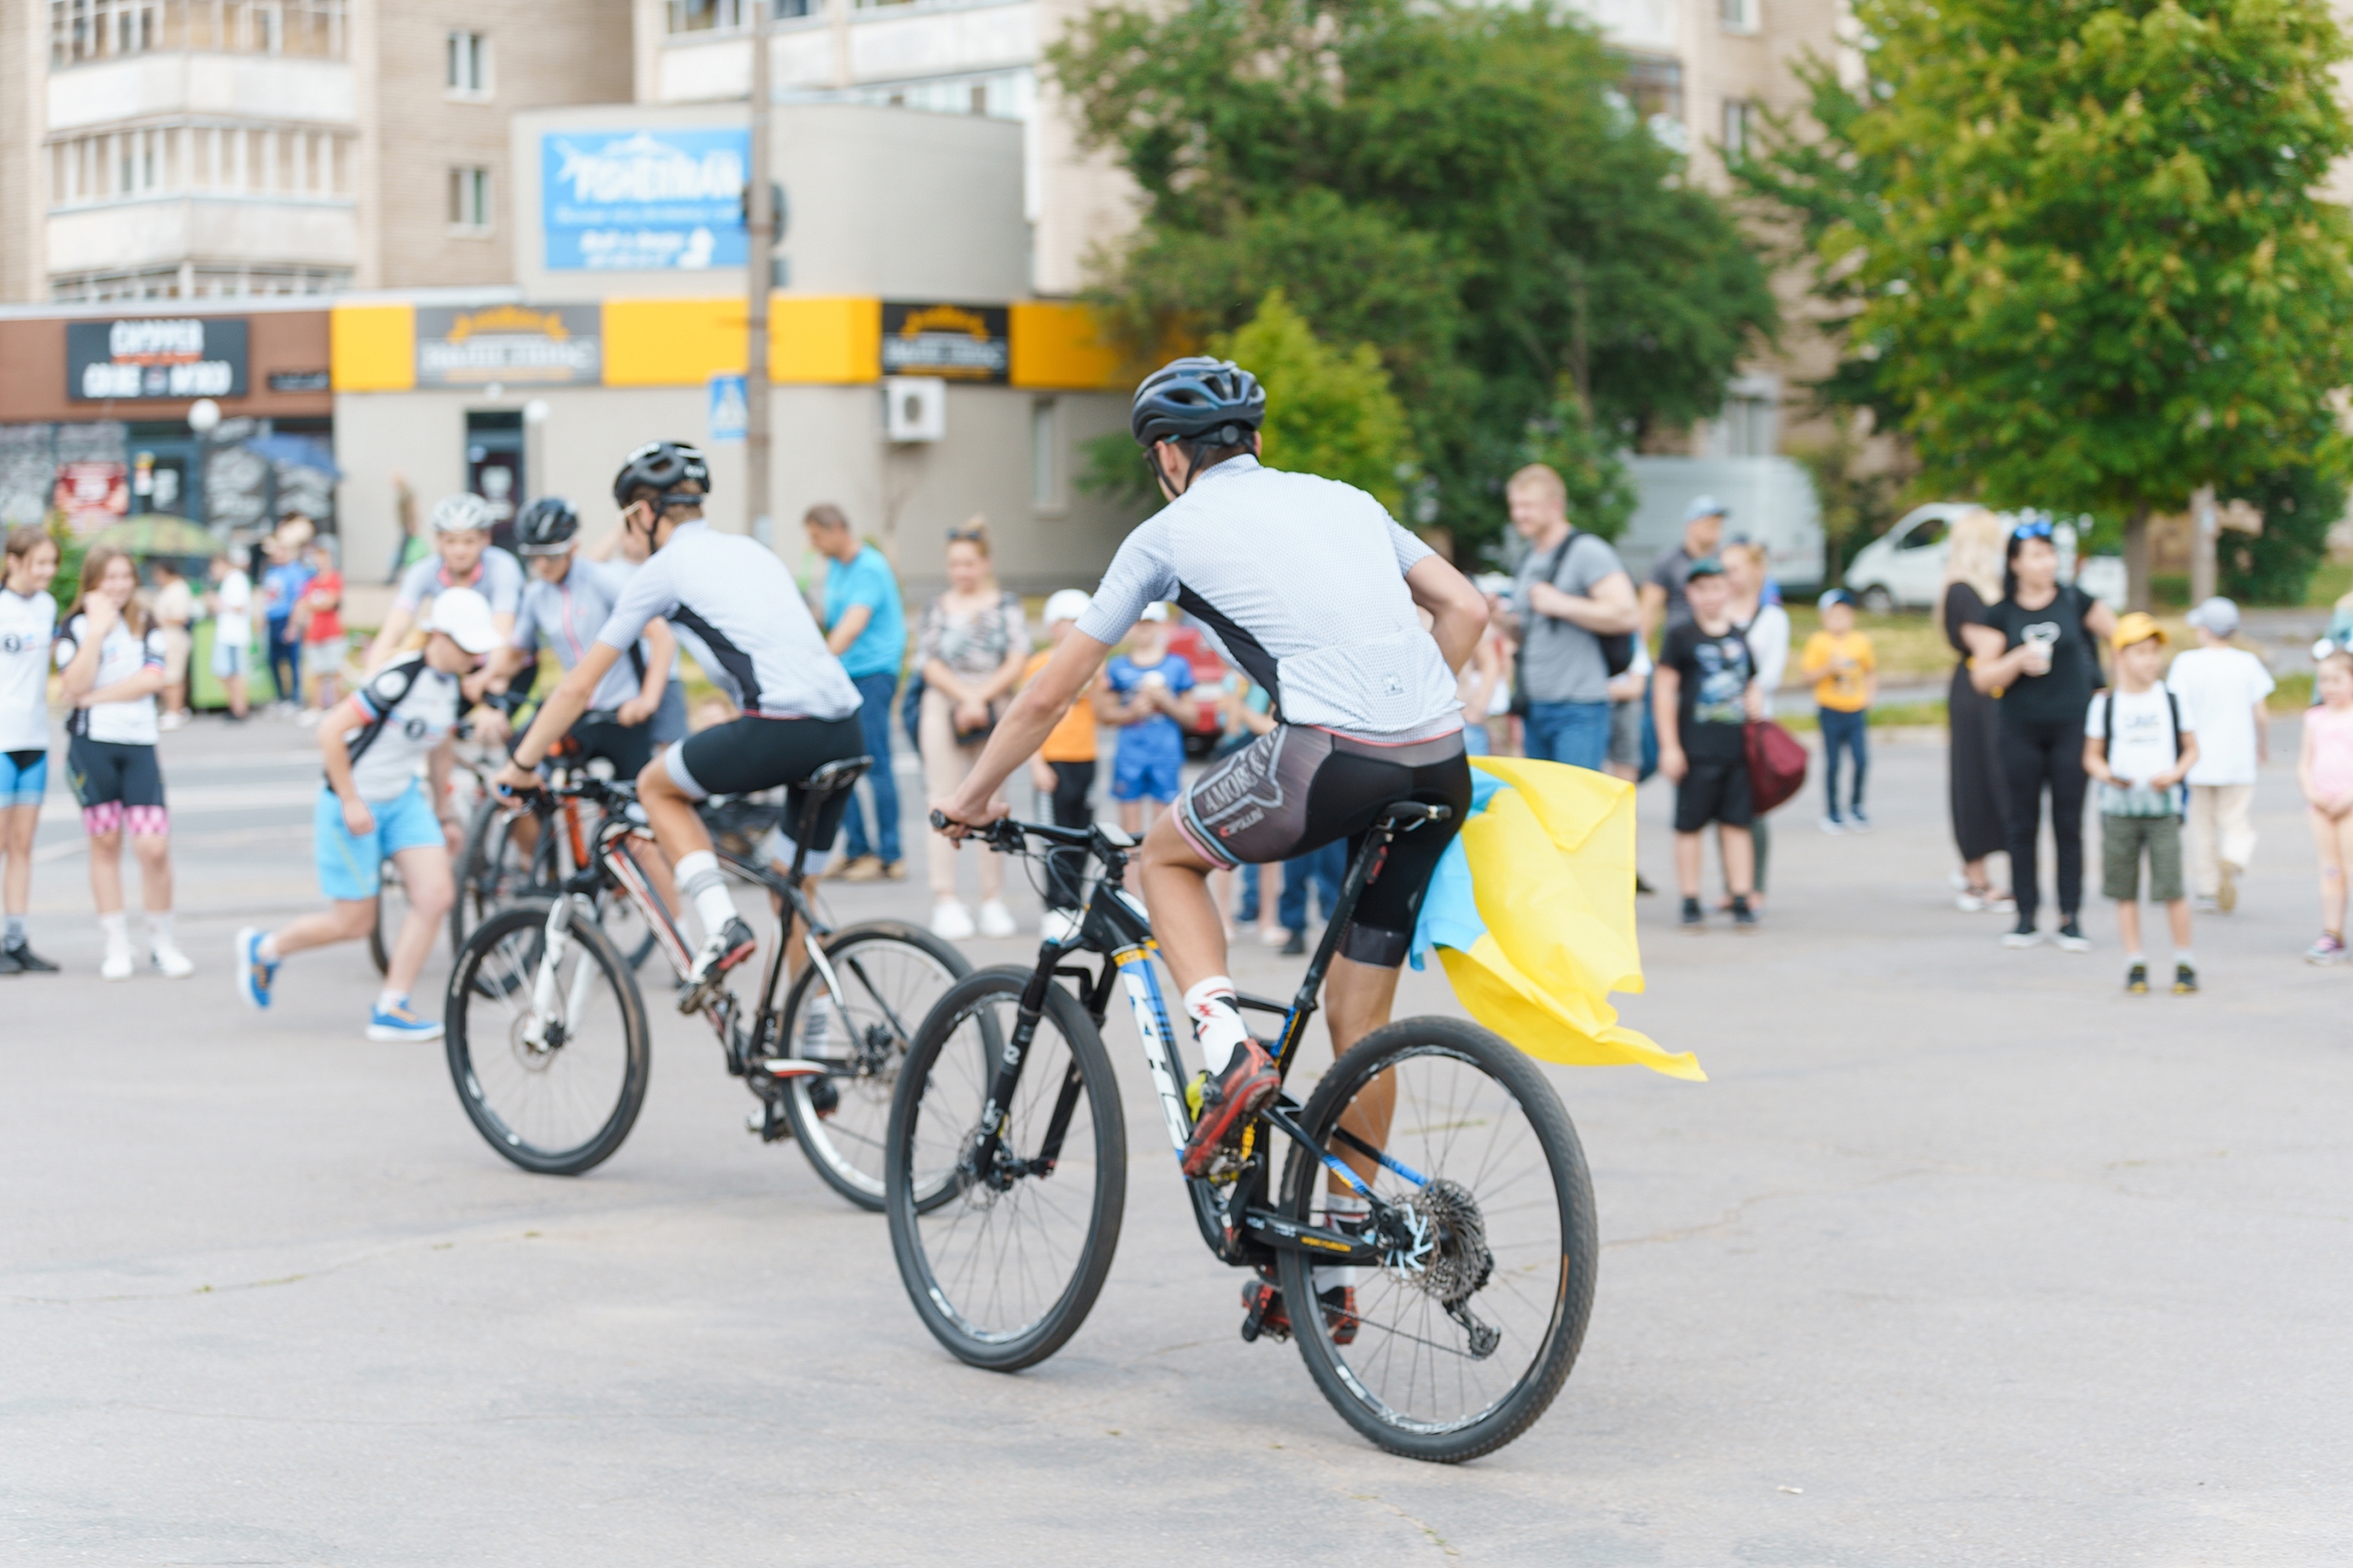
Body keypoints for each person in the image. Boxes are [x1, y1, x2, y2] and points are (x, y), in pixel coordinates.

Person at [931, 354, 1486, 1213]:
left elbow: (1050, 690)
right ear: (1256, 440)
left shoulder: (1166, 533)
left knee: (1162, 860)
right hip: (1440, 757)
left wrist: (971, 795)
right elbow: (1467, 610)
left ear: (1167, 456)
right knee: (1358, 1027)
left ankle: (1228, 1049)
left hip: (1330, 754)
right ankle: (1334, 1258)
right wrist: (1406, 717)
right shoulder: (1348, 498)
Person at [493, 442, 864, 1003]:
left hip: (783, 726)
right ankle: (811, 1061)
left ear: (644, 514)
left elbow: (578, 685)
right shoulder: (751, 550)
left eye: (626, 520)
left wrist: (520, 766)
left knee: (655, 786)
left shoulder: (661, 568)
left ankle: (718, 926)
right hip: (846, 727)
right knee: (791, 890)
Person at [236, 589, 500, 1040]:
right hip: (351, 801)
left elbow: (439, 749)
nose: (475, 656)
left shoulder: (451, 687)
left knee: (437, 895)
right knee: (354, 923)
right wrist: (351, 800)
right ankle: (266, 949)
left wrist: (443, 812)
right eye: (467, 646)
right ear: (438, 636)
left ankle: (392, 1006)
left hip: (403, 801)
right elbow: (330, 732)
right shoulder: (400, 678)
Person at [1962, 519, 2118, 951]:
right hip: (2019, 728)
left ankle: (2071, 917)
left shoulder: (2074, 600)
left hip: (2072, 726)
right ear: (2014, 563)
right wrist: (2014, 661)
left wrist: (2116, 694)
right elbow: (1981, 677)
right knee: (2021, 823)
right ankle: (2025, 916)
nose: (2045, 562)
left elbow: (2122, 635)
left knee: (2068, 824)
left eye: (2049, 553)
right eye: (2035, 554)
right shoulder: (2001, 612)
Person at [55, 545, 191, 980]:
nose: (117, 586)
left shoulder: (145, 622)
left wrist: (95, 696)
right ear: (93, 581)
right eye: (108, 578)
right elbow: (71, 684)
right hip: (91, 745)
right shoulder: (75, 627)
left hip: (138, 744)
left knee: (153, 847)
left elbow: (153, 679)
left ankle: (162, 940)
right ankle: (116, 942)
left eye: (125, 576)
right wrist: (96, 632)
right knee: (106, 843)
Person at [499, 498, 678, 783]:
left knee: (636, 801)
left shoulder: (601, 579)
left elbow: (662, 637)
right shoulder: (536, 595)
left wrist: (647, 700)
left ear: (573, 547)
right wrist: (485, 682)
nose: (542, 565)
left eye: (552, 555)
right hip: (578, 708)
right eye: (534, 556)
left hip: (622, 712)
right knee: (522, 766)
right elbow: (514, 654)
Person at [914, 522, 1029, 939]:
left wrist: (983, 698)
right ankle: (945, 898)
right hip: (945, 703)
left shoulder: (1006, 605)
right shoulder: (937, 607)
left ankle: (991, 897)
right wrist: (964, 697)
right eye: (954, 564)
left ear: (984, 563)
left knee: (992, 798)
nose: (961, 571)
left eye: (968, 563)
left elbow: (1017, 657)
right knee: (942, 794)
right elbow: (928, 661)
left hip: (995, 701)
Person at [2085, 613, 2199, 994]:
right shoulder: (2105, 704)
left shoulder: (2170, 699)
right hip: (2119, 809)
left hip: (2162, 807)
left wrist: (2175, 773)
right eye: (2141, 653)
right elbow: (2092, 756)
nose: (2151, 661)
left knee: (2172, 885)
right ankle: (2135, 960)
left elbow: (2191, 750)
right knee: (2124, 888)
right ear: (2120, 657)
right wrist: (2107, 775)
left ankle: (2184, 959)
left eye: (2154, 653)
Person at [1499, 462, 1637, 772]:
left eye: (1527, 506)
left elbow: (1627, 614)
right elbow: (1527, 633)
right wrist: (1500, 619)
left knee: (1574, 809)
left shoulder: (1587, 551)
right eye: (1514, 506)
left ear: (1555, 506)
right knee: (1544, 809)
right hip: (1534, 706)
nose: (1518, 514)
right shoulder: (1527, 558)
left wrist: (1562, 603)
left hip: (1579, 707)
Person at [1653, 557, 1763, 930]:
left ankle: (1741, 894)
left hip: (1736, 749)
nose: (1711, 596)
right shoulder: (1681, 636)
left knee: (1737, 824)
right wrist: (1670, 746)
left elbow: (1751, 681)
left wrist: (1755, 699)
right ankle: (1690, 897)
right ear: (1690, 594)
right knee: (1690, 825)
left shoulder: (1738, 635)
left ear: (1728, 590)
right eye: (1702, 589)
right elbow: (1664, 691)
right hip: (1695, 749)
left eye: (1717, 587)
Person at [805, 504, 908, 884]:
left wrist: (818, 665)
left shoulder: (869, 567)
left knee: (875, 762)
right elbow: (830, 619)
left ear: (835, 530)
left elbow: (850, 626)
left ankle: (891, 855)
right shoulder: (835, 568)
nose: (813, 545)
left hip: (873, 674)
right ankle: (856, 849)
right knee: (839, 764)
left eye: (816, 536)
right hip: (845, 675)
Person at [2165, 596, 2274, 914]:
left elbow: (2176, 709)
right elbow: (2261, 714)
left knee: (2203, 826)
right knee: (2235, 820)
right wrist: (2262, 744)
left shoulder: (2186, 663)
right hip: (2238, 758)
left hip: (2197, 759)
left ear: (2206, 630)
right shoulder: (2247, 663)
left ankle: (2208, 889)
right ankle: (2235, 856)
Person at [365, 493, 525, 676]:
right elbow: (394, 627)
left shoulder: (503, 567)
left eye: (469, 541)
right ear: (438, 540)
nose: (459, 550)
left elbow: (502, 632)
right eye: (451, 541)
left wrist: (487, 678)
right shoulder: (423, 570)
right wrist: (371, 675)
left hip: (507, 661)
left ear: (485, 539)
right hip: (458, 661)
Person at [1940, 510, 2012, 910]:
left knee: (2000, 777)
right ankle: (1976, 876)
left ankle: (1988, 871)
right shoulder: (1962, 591)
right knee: (1974, 777)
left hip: (1998, 689)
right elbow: (1988, 647)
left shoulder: (1990, 588)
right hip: (1975, 692)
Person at [1024, 589, 1100, 944]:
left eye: (1078, 622)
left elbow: (1102, 708)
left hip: (1084, 758)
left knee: (1081, 833)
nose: (1071, 629)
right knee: (1052, 837)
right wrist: (1036, 763)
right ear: (1053, 627)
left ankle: (1075, 903)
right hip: (1052, 760)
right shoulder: (1040, 664)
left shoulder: (1094, 663)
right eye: (1065, 622)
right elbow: (1026, 716)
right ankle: (1055, 906)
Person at [1, 527, 62, 974]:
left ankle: (16, 938)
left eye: (52, 563)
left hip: (34, 740)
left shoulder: (47, 606)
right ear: (13, 561)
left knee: (22, 845)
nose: (47, 572)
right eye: (39, 563)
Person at [1721, 540, 1788, 908]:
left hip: (1754, 722)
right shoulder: (1718, 612)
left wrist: (1750, 694)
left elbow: (1771, 673)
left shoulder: (1772, 618)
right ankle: (1731, 885)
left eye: (1734, 568)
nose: (1727, 576)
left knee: (1752, 806)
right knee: (1723, 804)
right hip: (1718, 719)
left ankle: (1755, 885)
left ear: (1755, 572)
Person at [1097, 602, 1196, 848]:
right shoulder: (1118, 666)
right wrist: (1131, 712)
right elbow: (1104, 715)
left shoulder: (1177, 665)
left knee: (1162, 830)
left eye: (1149, 624)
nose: (1143, 630)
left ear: (1160, 626)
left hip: (1166, 754)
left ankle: (1155, 884)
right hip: (1129, 755)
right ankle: (1130, 885)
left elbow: (1192, 717)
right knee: (1129, 834)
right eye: (1138, 624)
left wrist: (1166, 701)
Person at [2296, 649, 2353, 964]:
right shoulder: (2314, 718)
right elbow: (2305, 762)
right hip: (2321, 806)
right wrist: (2312, 793)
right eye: (2323, 680)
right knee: (2330, 870)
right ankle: (2332, 933)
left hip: (2350, 805)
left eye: (2337, 680)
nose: (2328, 687)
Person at [1804, 588, 1876, 832]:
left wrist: (1869, 696)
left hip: (1855, 710)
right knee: (1833, 764)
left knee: (1861, 760)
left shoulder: (1860, 642)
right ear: (1824, 617)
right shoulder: (1819, 642)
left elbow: (1869, 671)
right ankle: (1832, 812)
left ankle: (1856, 807)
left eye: (1844, 614)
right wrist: (1828, 668)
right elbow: (1807, 677)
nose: (1839, 619)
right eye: (1834, 615)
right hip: (1830, 709)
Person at [1640, 495, 1729, 641]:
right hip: (1679, 645)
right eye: (1710, 524)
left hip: (1715, 641)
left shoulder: (1724, 561)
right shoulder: (1667, 561)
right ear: (1691, 525)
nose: (1716, 529)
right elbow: (1649, 610)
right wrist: (1639, 654)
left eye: (1718, 524)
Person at [258, 533, 313, 714]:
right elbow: (267, 598)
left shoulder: (295, 571)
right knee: (273, 660)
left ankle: (295, 699)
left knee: (292, 660)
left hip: (287, 618)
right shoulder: (271, 572)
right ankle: (281, 697)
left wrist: (293, 625)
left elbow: (298, 600)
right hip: (273, 620)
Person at [206, 547, 252, 722]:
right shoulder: (228, 581)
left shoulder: (237, 579)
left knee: (236, 674)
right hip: (227, 634)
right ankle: (235, 706)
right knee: (225, 672)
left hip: (235, 635)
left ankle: (240, 709)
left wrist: (218, 603)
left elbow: (241, 607)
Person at [150, 559, 195, 730]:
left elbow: (181, 617)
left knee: (173, 676)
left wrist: (160, 619)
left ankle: (175, 711)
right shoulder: (169, 589)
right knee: (167, 675)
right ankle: (174, 709)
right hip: (166, 637)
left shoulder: (179, 589)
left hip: (174, 637)